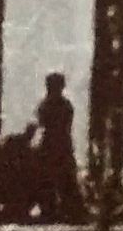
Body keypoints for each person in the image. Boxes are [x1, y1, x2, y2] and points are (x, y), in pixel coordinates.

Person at [33, 73, 84, 222]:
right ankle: (64, 207)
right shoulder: (64, 105)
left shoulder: (48, 105)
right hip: (60, 144)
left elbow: (42, 122)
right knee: (60, 178)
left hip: (53, 144)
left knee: (54, 177)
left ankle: (56, 207)